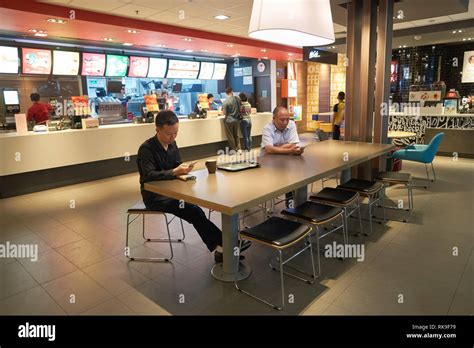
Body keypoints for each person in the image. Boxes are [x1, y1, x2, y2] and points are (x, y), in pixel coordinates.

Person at [137, 110, 250, 263]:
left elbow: (176, 164)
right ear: (157, 130)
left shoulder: (172, 144)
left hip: (173, 191)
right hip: (155, 197)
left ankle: (221, 248)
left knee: (195, 210)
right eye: (169, 134)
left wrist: (182, 168)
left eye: (176, 133)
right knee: (194, 211)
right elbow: (148, 175)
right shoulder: (146, 149)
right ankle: (227, 245)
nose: (173, 137)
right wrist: (175, 171)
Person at [222, 87, 241, 151]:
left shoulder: (225, 101)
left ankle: (234, 149)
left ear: (226, 93)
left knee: (230, 136)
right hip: (237, 120)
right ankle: (239, 148)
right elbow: (240, 108)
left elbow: (224, 113)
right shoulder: (238, 99)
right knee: (237, 135)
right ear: (232, 91)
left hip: (229, 120)